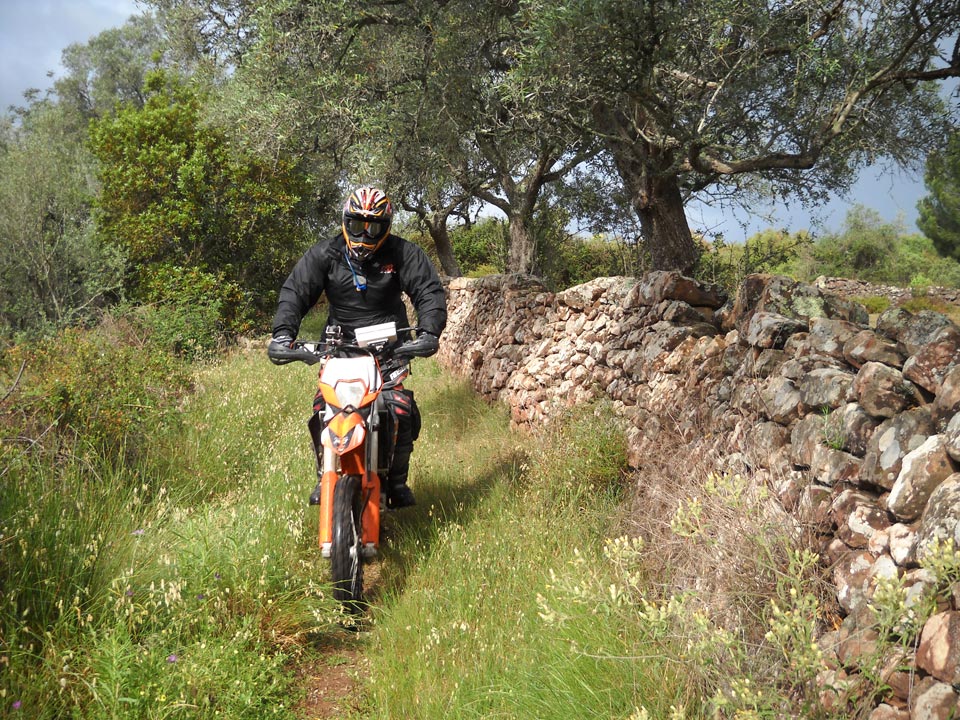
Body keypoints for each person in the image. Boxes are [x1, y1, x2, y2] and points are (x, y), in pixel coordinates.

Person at [269, 186, 447, 509]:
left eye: (373, 227)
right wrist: (283, 334)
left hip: (389, 353)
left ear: (386, 227)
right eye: (356, 225)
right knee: (322, 408)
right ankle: (325, 475)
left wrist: (429, 331)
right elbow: (296, 291)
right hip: (338, 350)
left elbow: (428, 291)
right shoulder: (326, 254)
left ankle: (396, 481)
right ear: (344, 222)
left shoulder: (403, 254)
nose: (364, 236)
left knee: (400, 407)